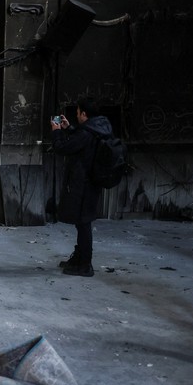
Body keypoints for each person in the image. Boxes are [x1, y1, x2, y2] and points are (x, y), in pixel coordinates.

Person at [49, 97, 113, 277]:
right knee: (81, 223)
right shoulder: (98, 128)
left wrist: (56, 131)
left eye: (77, 112)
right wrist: (69, 128)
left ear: (84, 114)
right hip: (91, 182)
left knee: (83, 224)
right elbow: (82, 141)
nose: (76, 115)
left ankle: (85, 265)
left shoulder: (86, 133)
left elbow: (62, 147)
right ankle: (79, 259)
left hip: (82, 184)